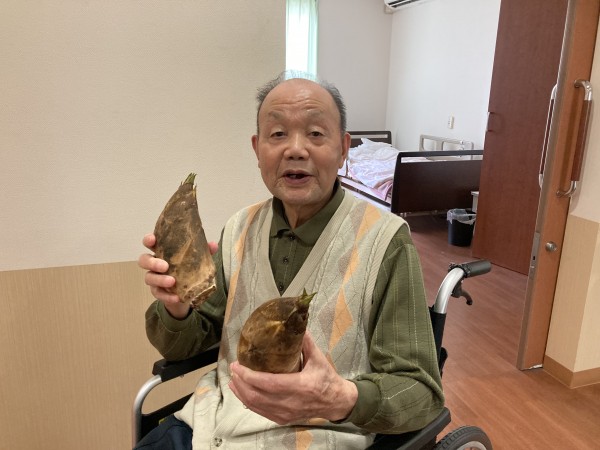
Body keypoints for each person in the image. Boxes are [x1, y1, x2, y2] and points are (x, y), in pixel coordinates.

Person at [136, 72, 444, 449]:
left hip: (317, 436)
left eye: (315, 133)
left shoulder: (386, 242)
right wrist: (177, 307)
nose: (295, 149)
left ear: (343, 148)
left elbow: (420, 392)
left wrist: (341, 398)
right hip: (207, 426)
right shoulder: (238, 229)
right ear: (257, 149)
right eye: (278, 133)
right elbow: (184, 345)